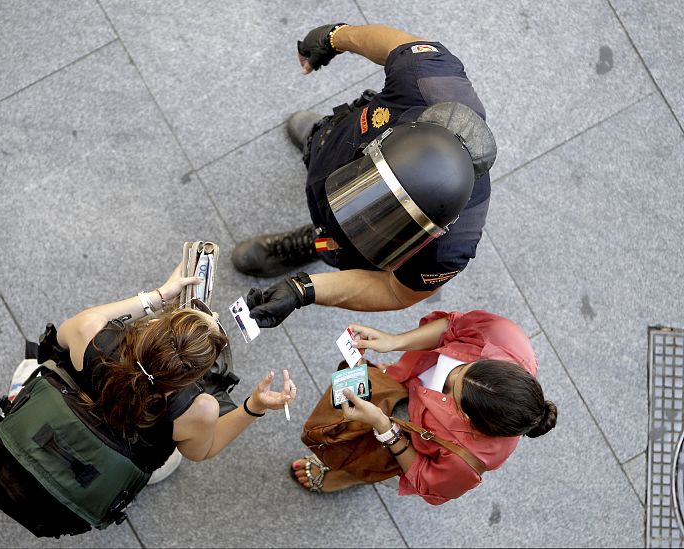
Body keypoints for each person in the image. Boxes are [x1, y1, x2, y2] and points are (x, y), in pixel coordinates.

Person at [232, 23, 497, 328]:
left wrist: (303, 289)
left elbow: (394, 291)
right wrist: (334, 37)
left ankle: (312, 243)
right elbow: (394, 45)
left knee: (329, 243)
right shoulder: (425, 76)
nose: (365, 210)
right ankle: (314, 143)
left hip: (341, 242)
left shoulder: (450, 247)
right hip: (338, 145)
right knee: (323, 143)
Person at [55, 260, 297, 484]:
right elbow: (201, 452)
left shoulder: (90, 332)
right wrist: (255, 405)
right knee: (173, 458)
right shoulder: (199, 409)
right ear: (198, 377)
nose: (214, 314)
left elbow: (61, 337)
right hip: (118, 460)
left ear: (153, 325)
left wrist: (160, 296)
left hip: (65, 413)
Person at [290, 310, 557, 505]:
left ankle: (353, 475)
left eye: (450, 389)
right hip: (406, 382)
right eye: (464, 367)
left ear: (467, 418)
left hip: (410, 438)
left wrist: (384, 427)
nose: (448, 373)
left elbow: (424, 479)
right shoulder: (504, 338)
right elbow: (452, 326)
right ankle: (357, 468)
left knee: (373, 460)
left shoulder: (469, 461)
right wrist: (393, 341)